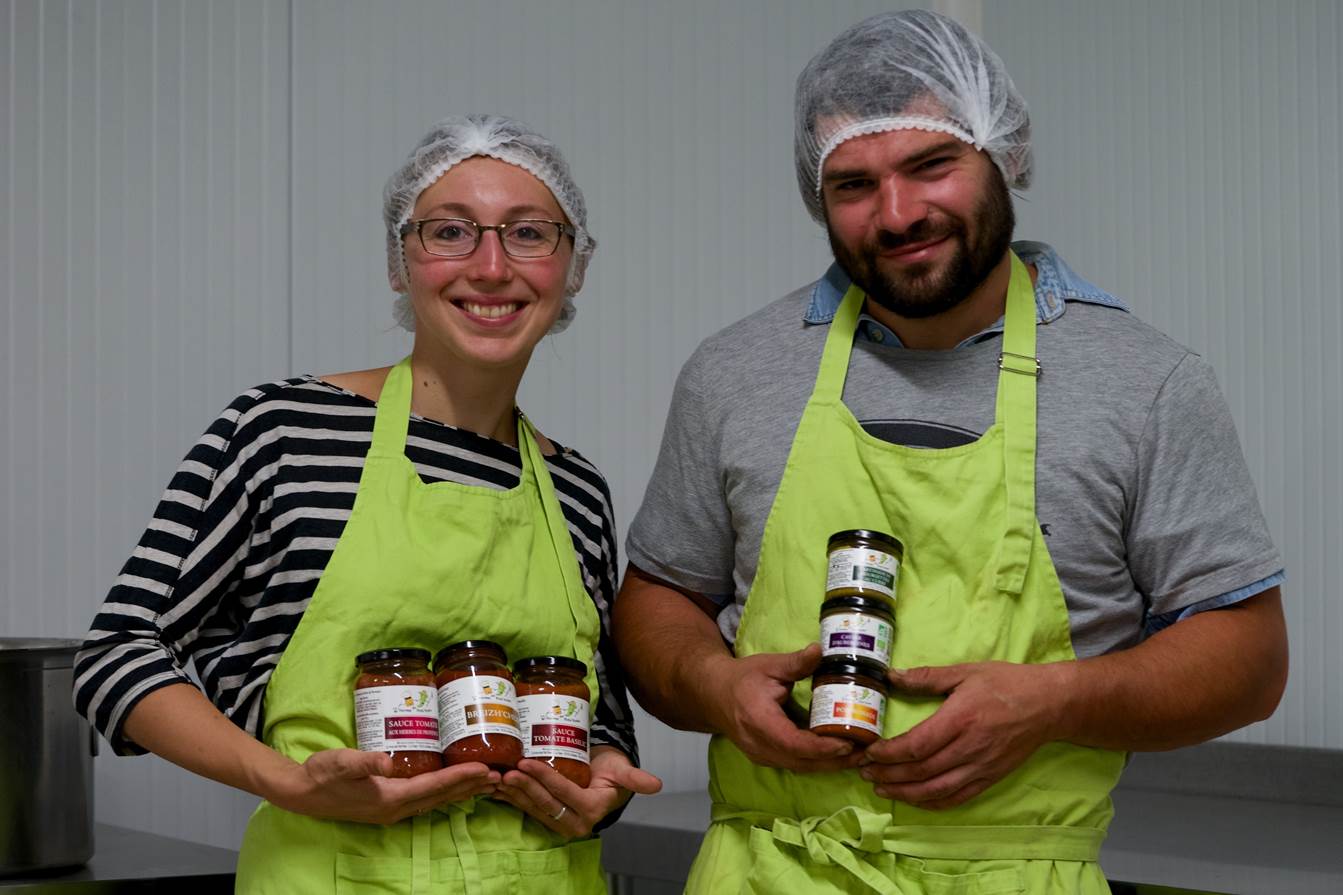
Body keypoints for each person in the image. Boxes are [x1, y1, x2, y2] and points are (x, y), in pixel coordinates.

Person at [613, 10, 1286, 894]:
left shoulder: (1146, 382)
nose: (896, 214)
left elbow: (1247, 657)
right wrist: (711, 684)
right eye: (853, 184)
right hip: (764, 867)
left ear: (1002, 155)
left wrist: (1054, 703)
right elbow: (659, 596)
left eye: (930, 165)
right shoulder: (735, 373)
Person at [75, 114, 660, 894]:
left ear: (573, 265)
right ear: (399, 262)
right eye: (449, 231)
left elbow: (599, 718)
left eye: (528, 233)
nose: (490, 267)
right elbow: (117, 653)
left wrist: (603, 785)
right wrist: (284, 781)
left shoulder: (576, 488)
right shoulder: (283, 430)